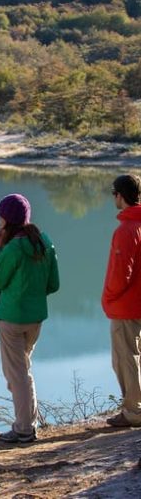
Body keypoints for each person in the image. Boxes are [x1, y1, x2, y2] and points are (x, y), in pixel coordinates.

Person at [0, 193, 60, 443]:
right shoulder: (44, 242)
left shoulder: (12, 248)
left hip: (11, 319)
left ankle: (24, 429)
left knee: (17, 375)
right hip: (35, 318)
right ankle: (29, 421)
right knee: (23, 370)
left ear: (7, 220)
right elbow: (53, 284)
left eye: (0, 217)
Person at [102, 175, 141, 428]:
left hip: (126, 306)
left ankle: (133, 412)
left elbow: (120, 273)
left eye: (113, 193)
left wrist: (109, 297)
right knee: (134, 355)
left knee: (125, 358)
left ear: (120, 196)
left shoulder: (126, 229)